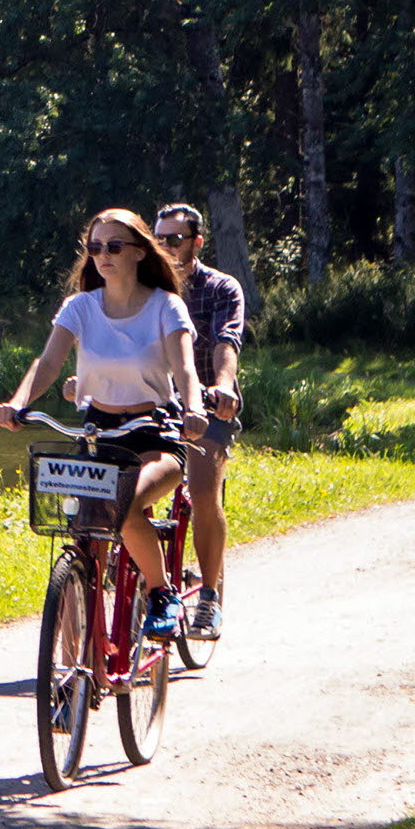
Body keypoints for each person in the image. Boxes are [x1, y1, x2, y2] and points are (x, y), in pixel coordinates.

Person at [0, 206, 203, 637]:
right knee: (84, 530)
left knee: (124, 505)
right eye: (95, 247)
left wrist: (194, 409)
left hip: (154, 432)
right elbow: (48, 363)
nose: (103, 255)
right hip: (98, 432)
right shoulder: (80, 307)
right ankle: (79, 652)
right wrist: (18, 402)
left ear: (140, 251)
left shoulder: (166, 306)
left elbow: (185, 369)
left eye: (114, 246)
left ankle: (162, 593)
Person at [154, 201, 248, 637]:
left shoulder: (221, 288)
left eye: (174, 239)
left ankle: (208, 597)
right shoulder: (145, 289)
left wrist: (224, 385)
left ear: (196, 242)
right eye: (158, 239)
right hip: (154, 401)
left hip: (209, 404)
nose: (165, 247)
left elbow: (227, 341)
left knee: (204, 488)